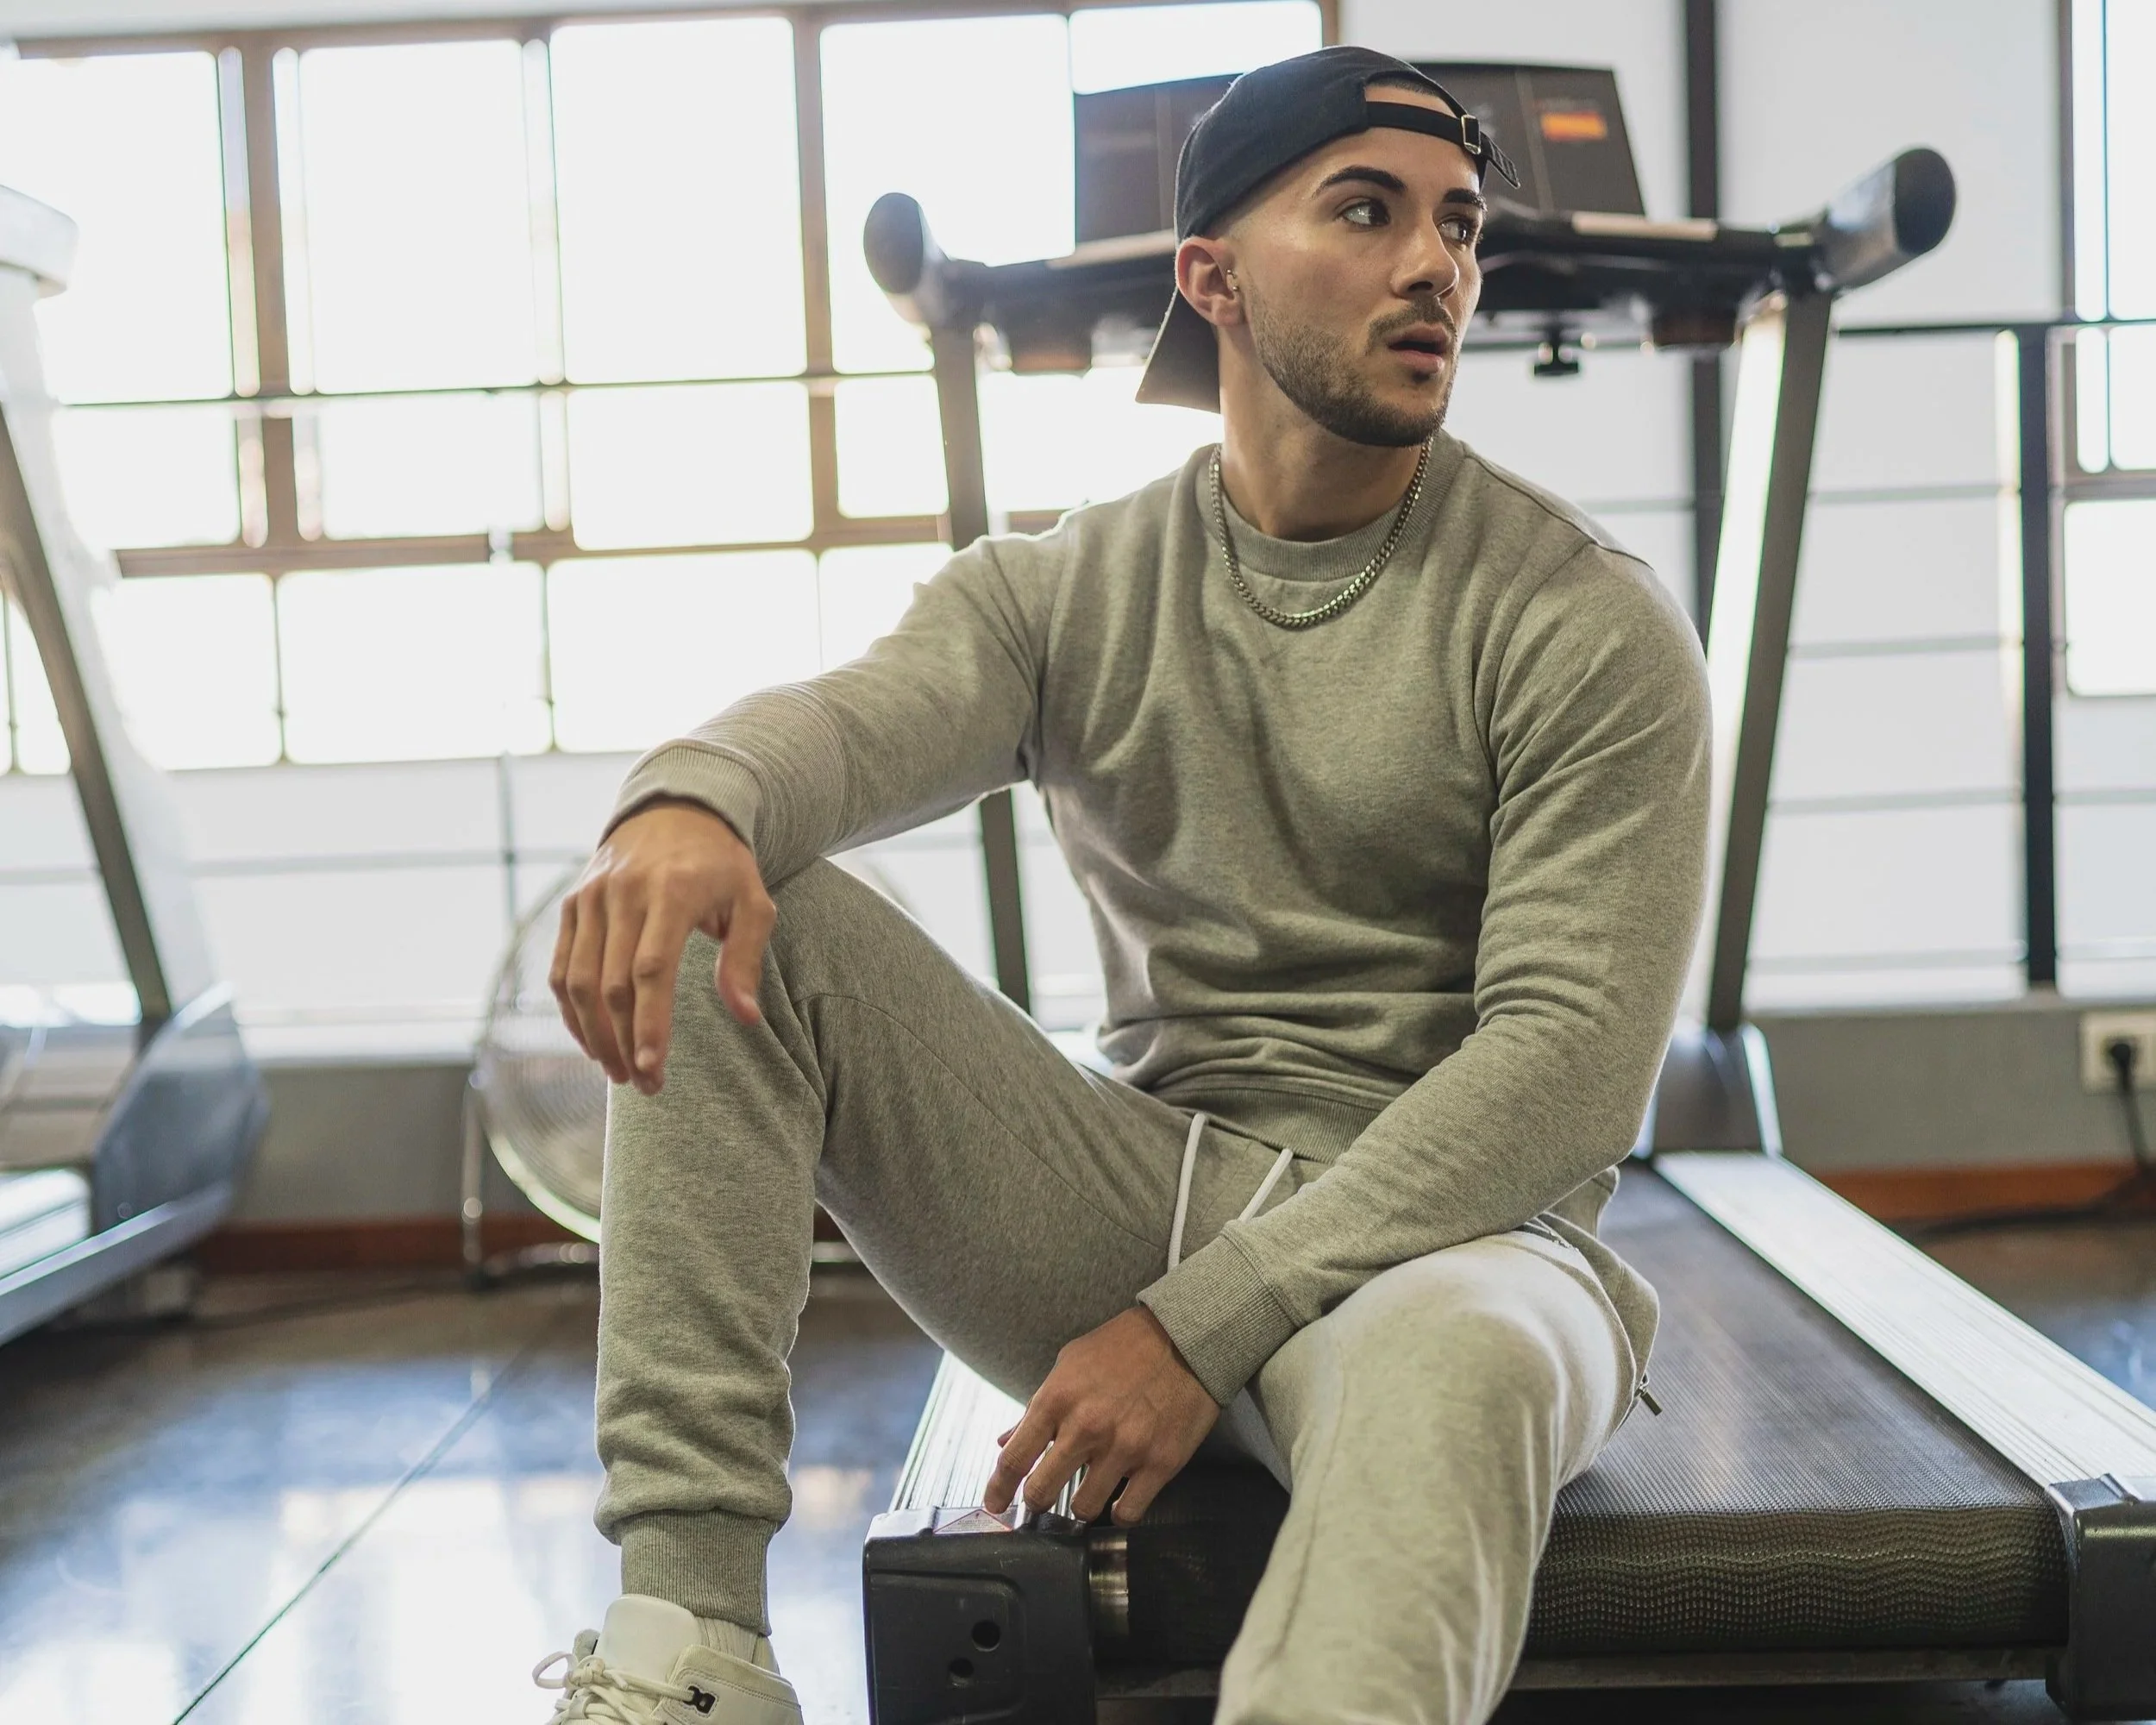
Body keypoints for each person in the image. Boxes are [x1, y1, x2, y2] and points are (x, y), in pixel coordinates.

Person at [533, 43, 1709, 1725]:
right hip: (1132, 1182)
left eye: (1456, 226)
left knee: (1456, 1355)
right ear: (1209, 278)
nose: (1430, 264)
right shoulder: (1071, 588)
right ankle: (690, 1649)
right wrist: (685, 801)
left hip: (1455, 1238)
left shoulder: (1577, 615)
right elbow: (856, 721)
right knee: (731, 902)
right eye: (1363, 212)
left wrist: (1196, 1326)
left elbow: (1571, 1061)